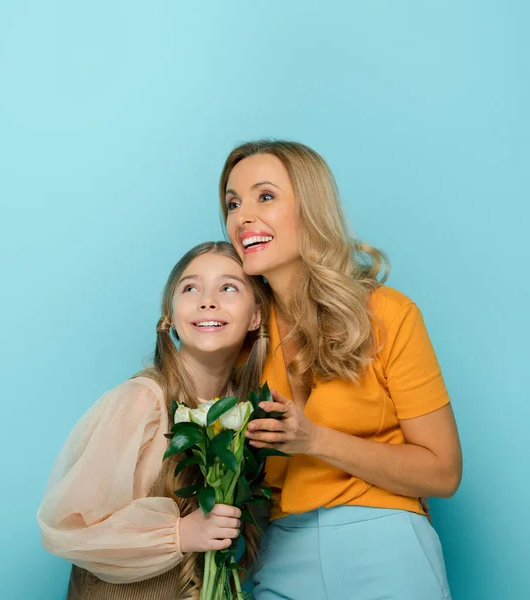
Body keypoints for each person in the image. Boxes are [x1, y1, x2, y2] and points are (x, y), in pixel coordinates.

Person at [218, 140, 462, 600]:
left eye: (264, 196)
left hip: (385, 542)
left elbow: (443, 472)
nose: (241, 217)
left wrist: (313, 440)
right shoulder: (241, 337)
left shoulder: (387, 314)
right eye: (232, 203)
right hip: (279, 552)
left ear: (310, 208)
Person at [37, 241, 270, 600]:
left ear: (256, 315)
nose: (208, 300)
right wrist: (179, 534)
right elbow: (68, 527)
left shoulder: (246, 413)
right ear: (170, 314)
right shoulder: (143, 402)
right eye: (191, 288)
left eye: (228, 287)